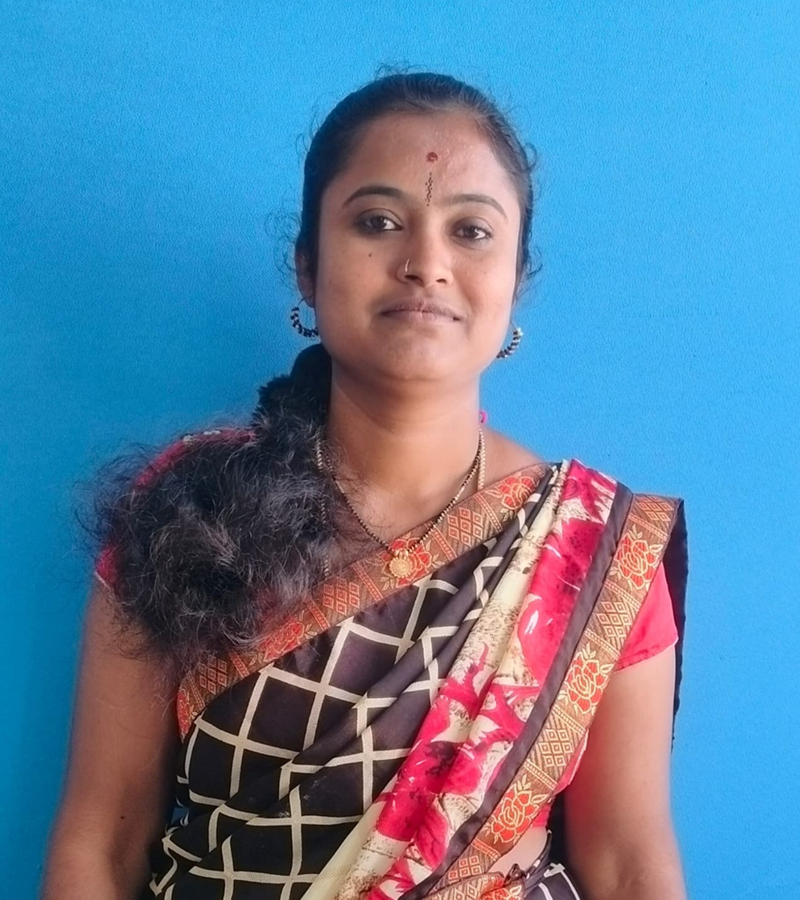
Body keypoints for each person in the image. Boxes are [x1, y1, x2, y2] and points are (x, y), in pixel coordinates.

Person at [42, 72, 688, 900]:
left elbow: (629, 863)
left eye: (471, 231)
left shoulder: (593, 552)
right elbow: (102, 840)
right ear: (307, 268)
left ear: (515, 281)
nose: (426, 264)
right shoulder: (190, 509)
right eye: (378, 222)